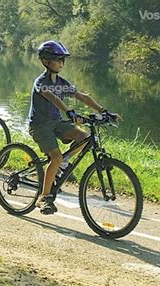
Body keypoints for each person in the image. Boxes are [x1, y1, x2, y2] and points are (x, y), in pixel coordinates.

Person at [28, 40, 120, 214]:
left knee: (85, 138)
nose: (61, 63)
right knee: (54, 157)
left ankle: (63, 163)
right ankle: (44, 198)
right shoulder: (41, 82)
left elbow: (81, 96)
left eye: (63, 60)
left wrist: (104, 111)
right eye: (58, 59)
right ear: (46, 61)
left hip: (55, 123)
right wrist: (69, 111)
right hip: (40, 125)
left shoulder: (61, 82)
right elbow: (51, 97)